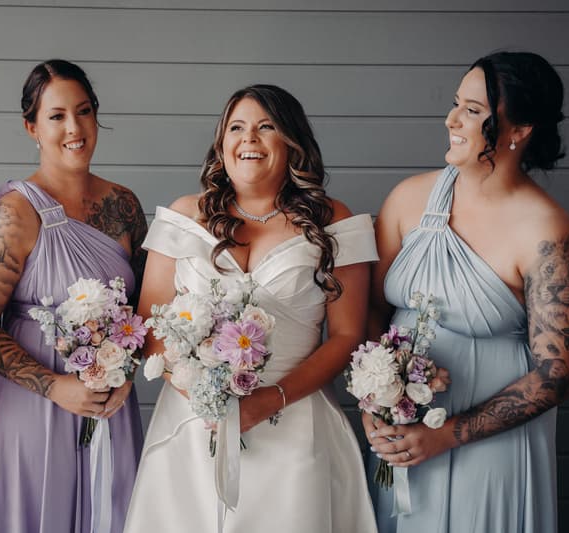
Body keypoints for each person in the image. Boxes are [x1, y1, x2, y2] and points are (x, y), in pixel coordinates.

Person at [124, 84, 378, 532]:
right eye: (237, 128)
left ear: (292, 142)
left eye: (266, 128)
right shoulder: (184, 217)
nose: (249, 139)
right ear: (221, 144)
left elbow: (346, 336)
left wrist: (269, 401)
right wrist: (206, 398)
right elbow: (151, 328)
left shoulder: (334, 221)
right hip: (192, 423)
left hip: (295, 419)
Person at [364, 51, 569, 533]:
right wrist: (373, 403)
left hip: (492, 447)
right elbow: (374, 310)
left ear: (519, 128)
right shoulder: (408, 198)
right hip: (403, 434)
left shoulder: (548, 234)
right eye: (456, 104)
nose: (451, 119)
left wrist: (449, 435)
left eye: (473, 110)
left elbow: (559, 373)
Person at [0, 59, 146, 533]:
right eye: (57, 116)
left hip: (110, 403)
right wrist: (55, 387)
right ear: (32, 127)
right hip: (32, 408)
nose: (75, 128)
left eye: (84, 112)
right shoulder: (15, 213)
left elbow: (147, 309)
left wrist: (124, 378)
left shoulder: (124, 205)